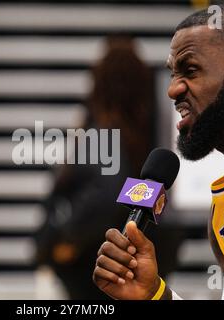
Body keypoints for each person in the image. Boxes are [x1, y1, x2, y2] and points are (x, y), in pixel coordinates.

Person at [93, 5, 224, 300]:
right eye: (172, 74)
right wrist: (156, 294)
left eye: (190, 70)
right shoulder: (223, 207)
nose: (172, 90)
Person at [35, 36, 182, 299]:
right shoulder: (155, 137)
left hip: (98, 271)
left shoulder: (105, 133)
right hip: (141, 272)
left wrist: (67, 240)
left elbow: (106, 193)